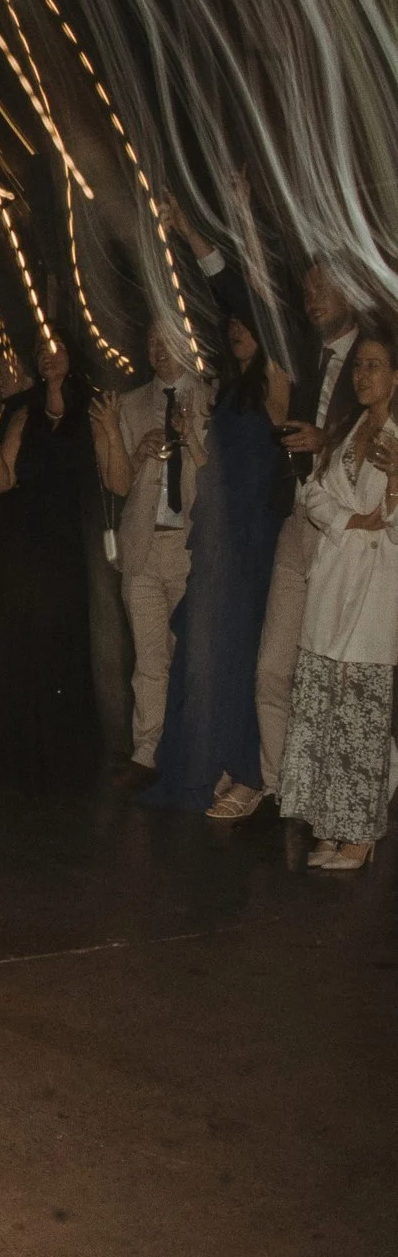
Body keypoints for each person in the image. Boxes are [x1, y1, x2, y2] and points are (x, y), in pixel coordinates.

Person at [146, 317, 289, 815]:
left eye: (246, 322)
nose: (236, 330)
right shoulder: (227, 390)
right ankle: (212, 766)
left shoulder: (275, 379)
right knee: (209, 650)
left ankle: (244, 772)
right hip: (219, 532)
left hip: (250, 532)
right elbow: (215, 470)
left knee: (238, 649)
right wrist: (189, 437)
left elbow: (262, 464)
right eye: (229, 326)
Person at [277, 324, 396, 870]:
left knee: (360, 711)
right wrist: (353, 520)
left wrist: (390, 495)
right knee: (324, 707)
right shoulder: (345, 429)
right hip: (334, 579)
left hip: (374, 589)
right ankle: (328, 825)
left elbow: (392, 525)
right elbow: (313, 493)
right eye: (358, 366)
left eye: (374, 365)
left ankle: (359, 833)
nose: (363, 375)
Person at [251, 262, 364, 803]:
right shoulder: (304, 362)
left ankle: (336, 792)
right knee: (273, 664)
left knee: (333, 668)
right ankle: (280, 788)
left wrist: (328, 441)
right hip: (297, 520)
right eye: (308, 285)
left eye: (326, 284)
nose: (314, 295)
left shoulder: (374, 359)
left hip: (346, 533)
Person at [0, 335, 101, 791]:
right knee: (22, 643)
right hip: (24, 542)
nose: (50, 357)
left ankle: (65, 753)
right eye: (42, 351)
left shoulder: (90, 402)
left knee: (62, 640)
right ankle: (22, 750)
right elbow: (2, 482)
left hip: (67, 540)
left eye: (58, 350)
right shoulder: (20, 411)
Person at [91, 330, 210, 782]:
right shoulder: (130, 402)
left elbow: (217, 475)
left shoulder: (209, 398)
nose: (159, 350)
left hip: (189, 544)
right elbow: (117, 484)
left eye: (168, 341)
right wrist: (133, 451)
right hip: (142, 542)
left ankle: (190, 750)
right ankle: (147, 751)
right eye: (152, 342)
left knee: (190, 654)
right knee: (148, 657)